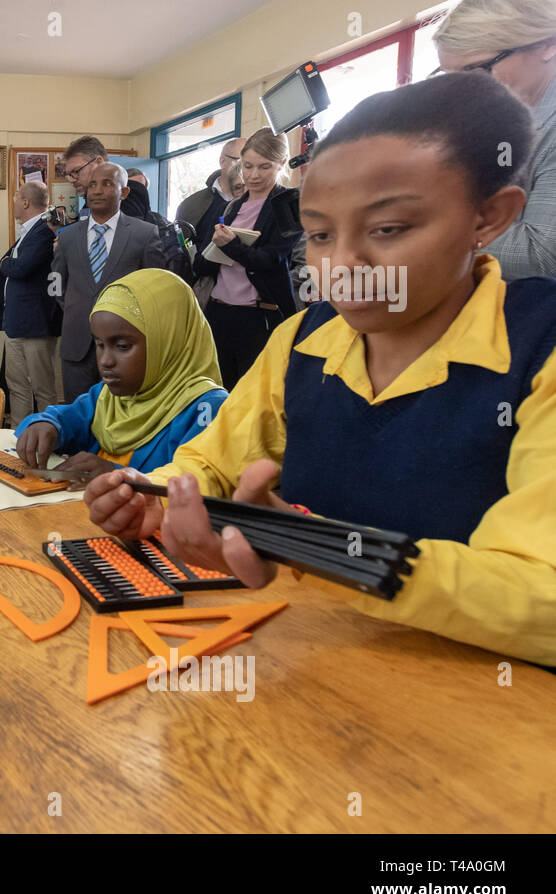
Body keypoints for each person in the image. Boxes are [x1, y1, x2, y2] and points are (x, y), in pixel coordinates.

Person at [84, 72, 556, 667]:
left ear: (489, 218)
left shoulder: (539, 349)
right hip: (316, 669)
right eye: (319, 235)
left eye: (388, 229)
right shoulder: (302, 342)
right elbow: (213, 461)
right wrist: (165, 501)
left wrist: (315, 547)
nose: (344, 265)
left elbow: (542, 595)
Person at [15, 269, 227, 476]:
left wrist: (116, 474)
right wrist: (47, 424)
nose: (105, 361)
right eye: (99, 344)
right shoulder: (107, 396)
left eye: (123, 346)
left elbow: (198, 486)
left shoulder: (207, 408)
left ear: (167, 342)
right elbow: (66, 416)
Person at [433, 0, 556, 280]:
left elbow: (540, 258)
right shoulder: (512, 110)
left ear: (547, 44)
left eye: (479, 70)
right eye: (451, 78)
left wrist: (433, 222)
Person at [192, 127, 303, 390]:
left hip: (259, 317)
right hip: (218, 311)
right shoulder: (232, 206)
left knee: (253, 396)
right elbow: (202, 265)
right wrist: (214, 250)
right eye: (248, 166)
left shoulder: (289, 204)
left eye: (264, 167)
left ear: (281, 165)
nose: (253, 175)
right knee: (218, 392)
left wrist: (232, 246)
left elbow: (273, 260)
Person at [51, 162, 164, 403]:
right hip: (77, 344)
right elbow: (57, 285)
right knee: (79, 418)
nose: (97, 191)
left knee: (120, 417)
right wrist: (77, 308)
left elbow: (156, 290)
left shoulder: (144, 234)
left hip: (125, 345)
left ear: (124, 192)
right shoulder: (68, 237)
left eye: (107, 184)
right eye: (92, 185)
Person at [0, 181, 61, 421]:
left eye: (16, 197)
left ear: (26, 202)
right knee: (17, 388)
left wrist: (3, 265)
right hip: (16, 323)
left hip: (35, 325)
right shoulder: (27, 232)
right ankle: (19, 438)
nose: (14, 203)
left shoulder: (44, 230)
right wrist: (0, 279)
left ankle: (50, 439)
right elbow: (18, 272)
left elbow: (21, 267)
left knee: (43, 390)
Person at [176, 137, 245, 253]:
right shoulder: (192, 204)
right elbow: (180, 251)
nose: (246, 169)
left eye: (250, 164)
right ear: (222, 161)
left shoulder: (257, 199)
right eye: (240, 161)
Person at [62, 135, 109, 219]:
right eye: (69, 175)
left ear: (99, 162)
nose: (71, 180)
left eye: (76, 171)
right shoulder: (89, 200)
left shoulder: (126, 195)